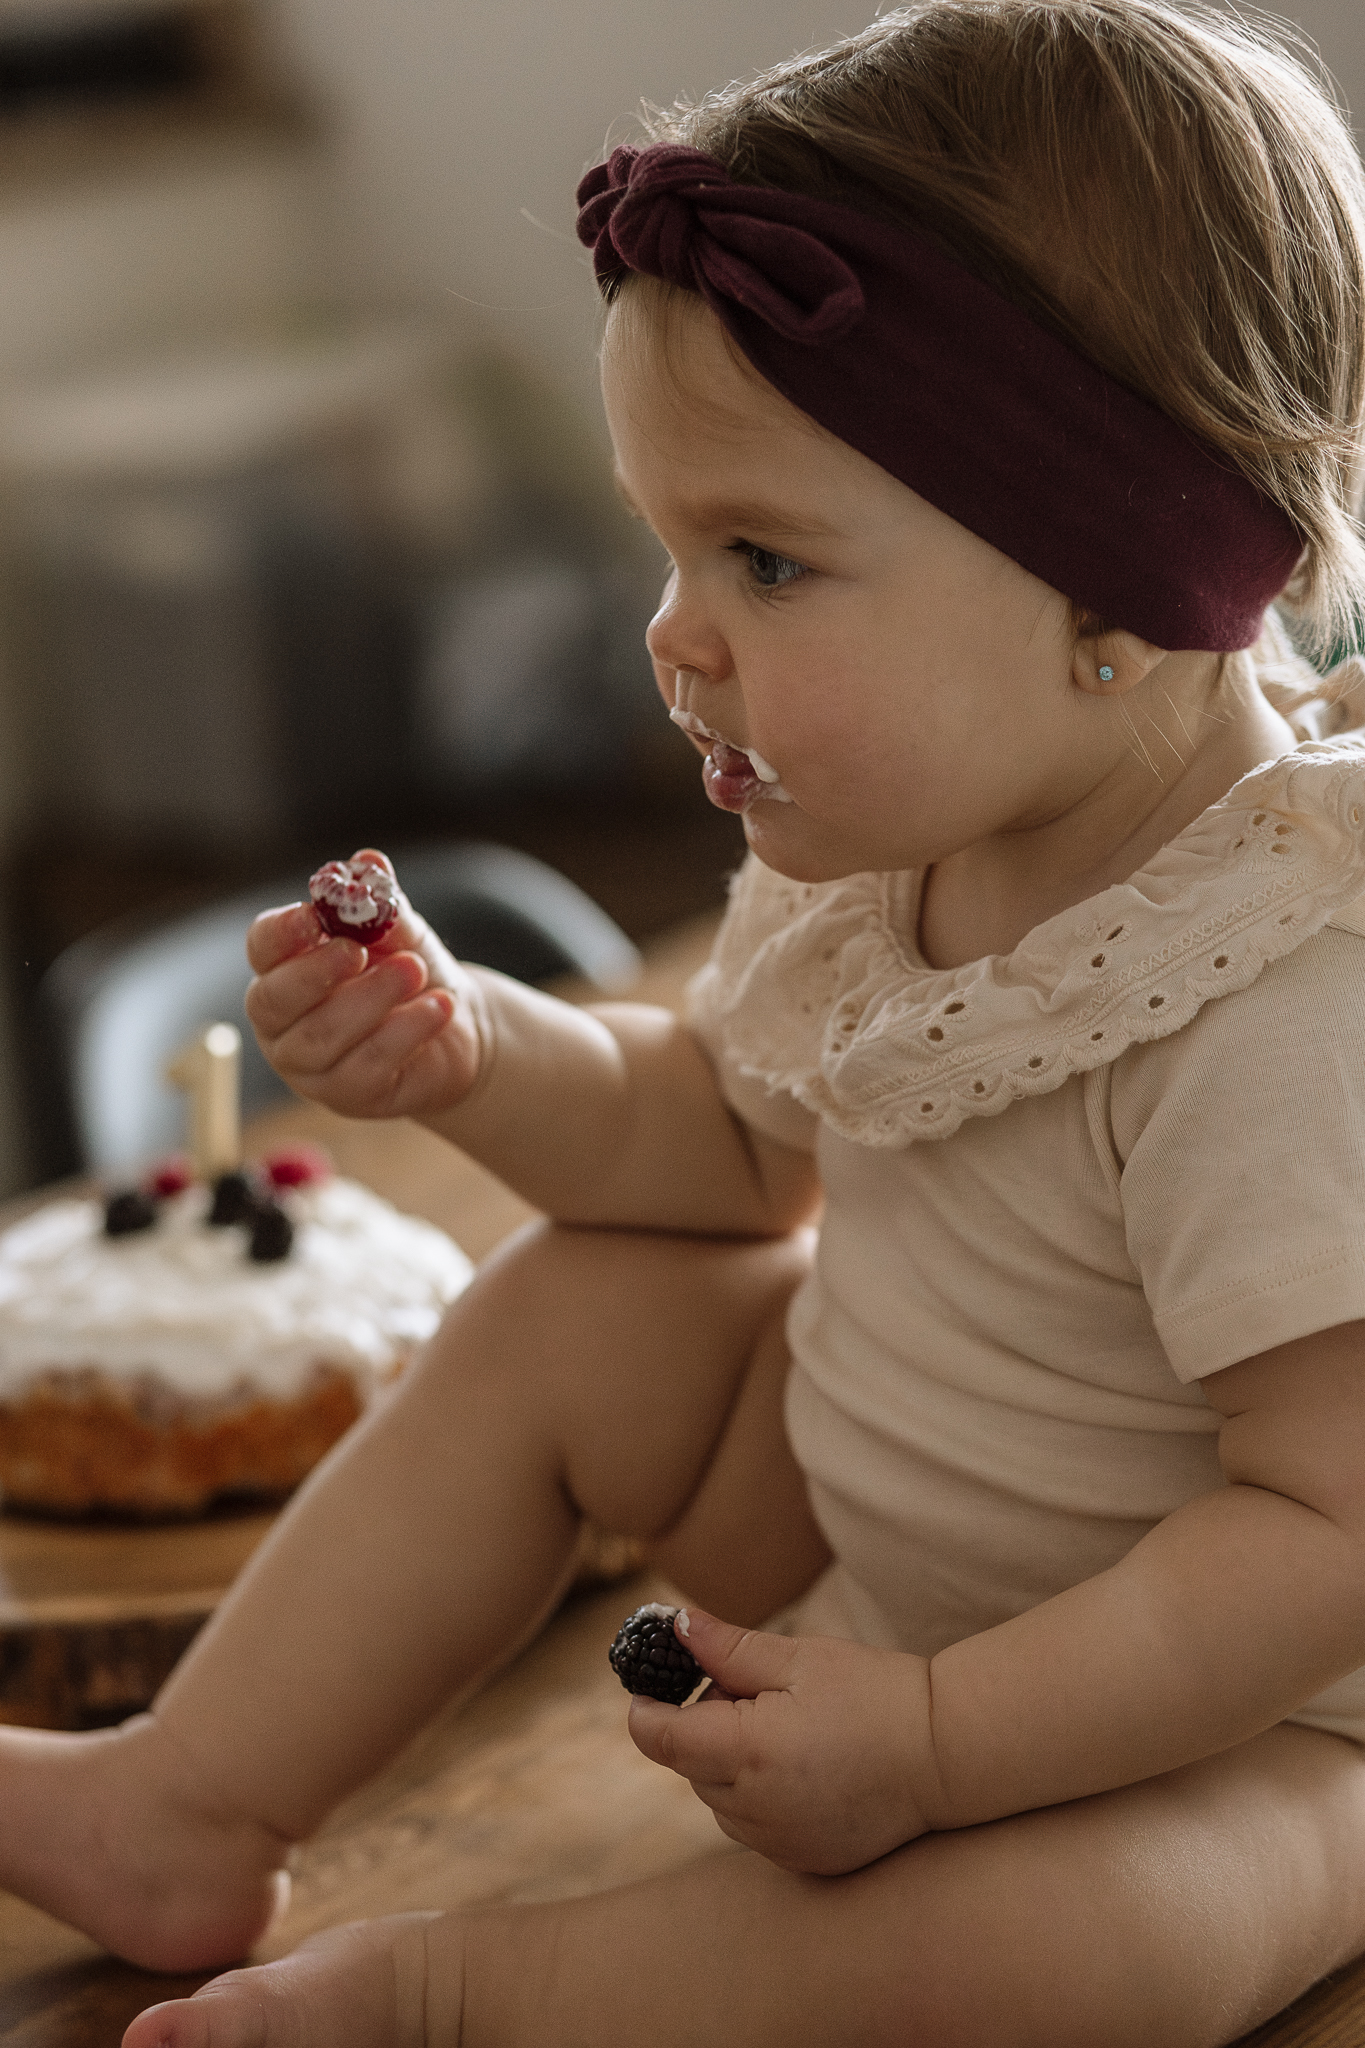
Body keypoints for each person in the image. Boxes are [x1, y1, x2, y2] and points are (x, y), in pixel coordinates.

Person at [5, 2, 1365, 2041]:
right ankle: (182, 1802)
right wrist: (477, 1054)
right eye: (666, 542)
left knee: (1085, 1950)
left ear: (1118, 589)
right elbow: (731, 1149)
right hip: (869, 1536)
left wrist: (933, 1740)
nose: (669, 633)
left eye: (762, 557)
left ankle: (463, 1990)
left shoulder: (1281, 975)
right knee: (586, 1296)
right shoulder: (881, 841)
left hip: (1235, 1713)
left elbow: (1321, 1531)